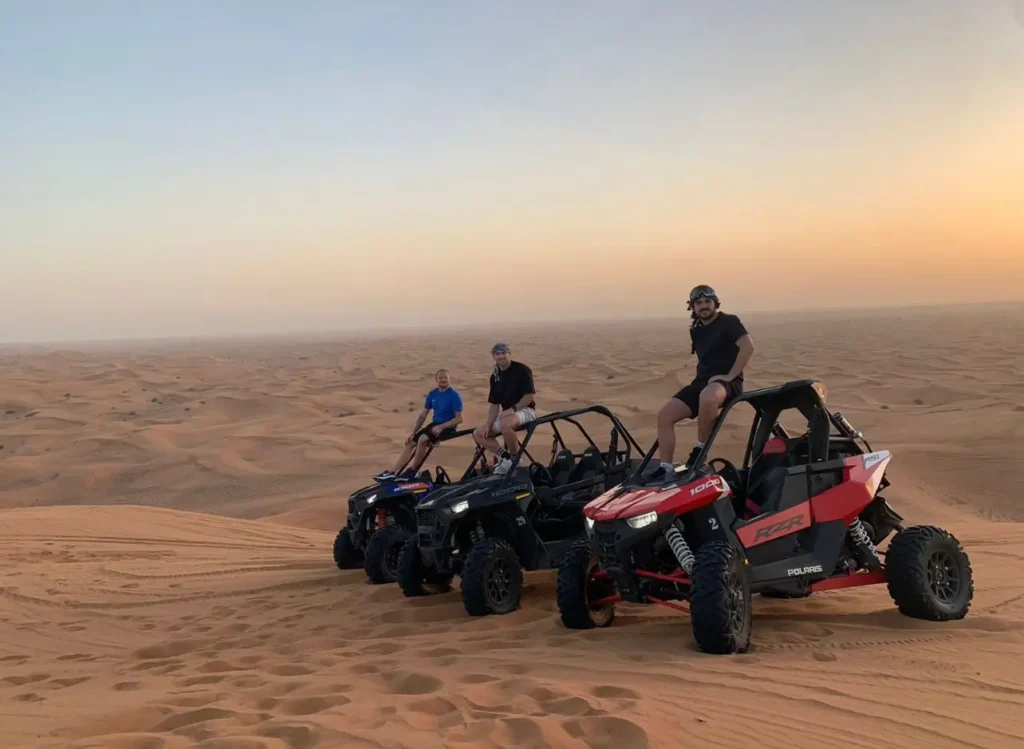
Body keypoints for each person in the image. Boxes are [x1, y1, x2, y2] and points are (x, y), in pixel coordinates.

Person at [656, 284, 755, 473]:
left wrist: (730, 375)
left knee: (708, 397)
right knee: (665, 416)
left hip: (727, 382)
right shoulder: (696, 329)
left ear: (715, 303)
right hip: (702, 382)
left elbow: (748, 347)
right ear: (692, 307)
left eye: (707, 302)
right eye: (699, 303)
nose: (704, 306)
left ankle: (700, 450)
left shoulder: (729, 321)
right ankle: (665, 468)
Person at [375, 368, 464, 481]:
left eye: (445, 377)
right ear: (436, 380)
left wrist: (442, 426)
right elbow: (423, 415)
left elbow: (459, 419)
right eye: (440, 378)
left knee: (422, 439)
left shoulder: (454, 395)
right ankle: (392, 472)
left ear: (449, 379)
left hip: (448, 427)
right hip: (434, 425)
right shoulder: (433, 394)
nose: (443, 380)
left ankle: (412, 471)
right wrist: (413, 433)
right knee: (410, 443)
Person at [473, 342, 537, 475]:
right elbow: (494, 404)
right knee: (479, 433)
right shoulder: (495, 376)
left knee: (505, 425)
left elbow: (529, 396)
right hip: (507, 414)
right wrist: (488, 424)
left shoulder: (522, 370)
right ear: (493, 356)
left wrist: (512, 409)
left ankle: (515, 458)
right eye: (498, 354)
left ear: (509, 354)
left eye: (504, 353)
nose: (501, 356)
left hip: (525, 410)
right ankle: (507, 458)